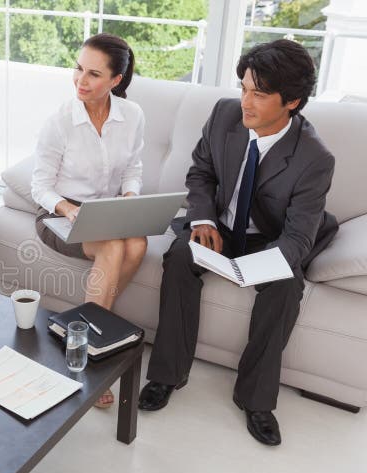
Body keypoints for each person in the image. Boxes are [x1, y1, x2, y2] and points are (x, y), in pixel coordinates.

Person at [138, 39, 338, 446]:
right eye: (244, 88)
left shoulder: (315, 158)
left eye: (259, 95)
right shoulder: (225, 115)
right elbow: (200, 174)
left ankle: (257, 401)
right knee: (179, 257)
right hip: (221, 229)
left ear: (292, 102)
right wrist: (205, 218)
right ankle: (165, 376)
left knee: (285, 287)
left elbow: (298, 236)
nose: (245, 102)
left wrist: (257, 267)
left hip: (273, 239)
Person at [31, 33, 148, 409]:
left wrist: (130, 197)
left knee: (139, 243)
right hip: (59, 212)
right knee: (114, 246)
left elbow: (134, 168)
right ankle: (87, 363)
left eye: (94, 74)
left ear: (116, 81)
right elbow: (40, 187)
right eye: (79, 68)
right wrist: (69, 210)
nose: (81, 80)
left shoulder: (132, 116)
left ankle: (80, 330)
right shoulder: (59, 122)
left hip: (108, 210)